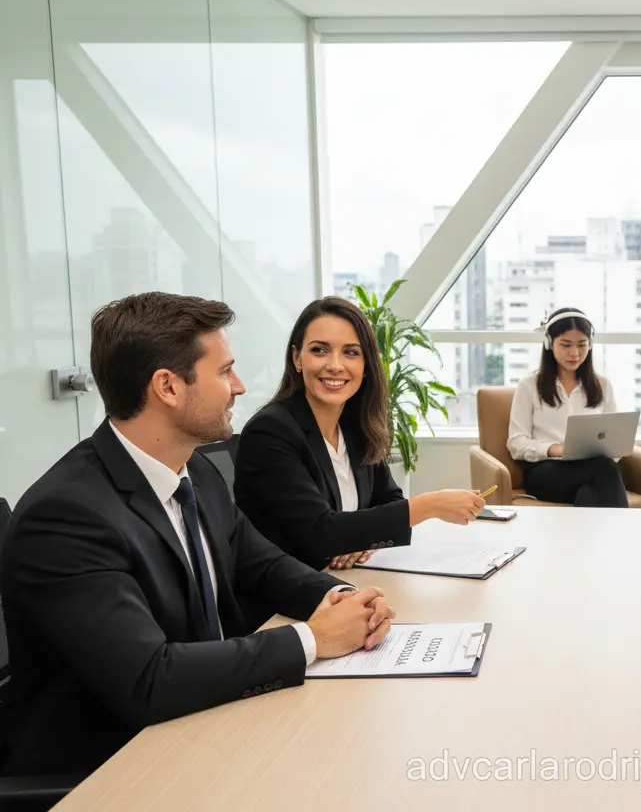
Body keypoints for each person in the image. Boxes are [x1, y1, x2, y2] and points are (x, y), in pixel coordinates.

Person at [0, 293, 396, 777]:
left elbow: (262, 564)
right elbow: (150, 678)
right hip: (114, 765)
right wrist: (312, 639)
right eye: (224, 372)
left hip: (205, 722)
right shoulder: (66, 516)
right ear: (168, 387)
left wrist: (344, 598)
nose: (240, 386)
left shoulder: (196, 474)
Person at [234, 297, 485, 571]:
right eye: (320, 350)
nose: (335, 365)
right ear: (297, 358)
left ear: (366, 364)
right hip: (284, 604)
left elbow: (388, 500)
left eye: (351, 353)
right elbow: (320, 533)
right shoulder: (270, 433)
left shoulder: (355, 425)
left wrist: (362, 538)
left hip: (347, 584)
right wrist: (432, 504)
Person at [507, 308, 629, 508]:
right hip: (545, 472)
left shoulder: (603, 385)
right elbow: (516, 443)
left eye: (582, 345)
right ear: (549, 343)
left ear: (590, 345)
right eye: (566, 345)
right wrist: (555, 449)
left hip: (591, 470)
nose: (575, 353)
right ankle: (625, 536)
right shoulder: (529, 385)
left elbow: (612, 442)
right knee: (604, 469)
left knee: (588, 494)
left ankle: (593, 539)